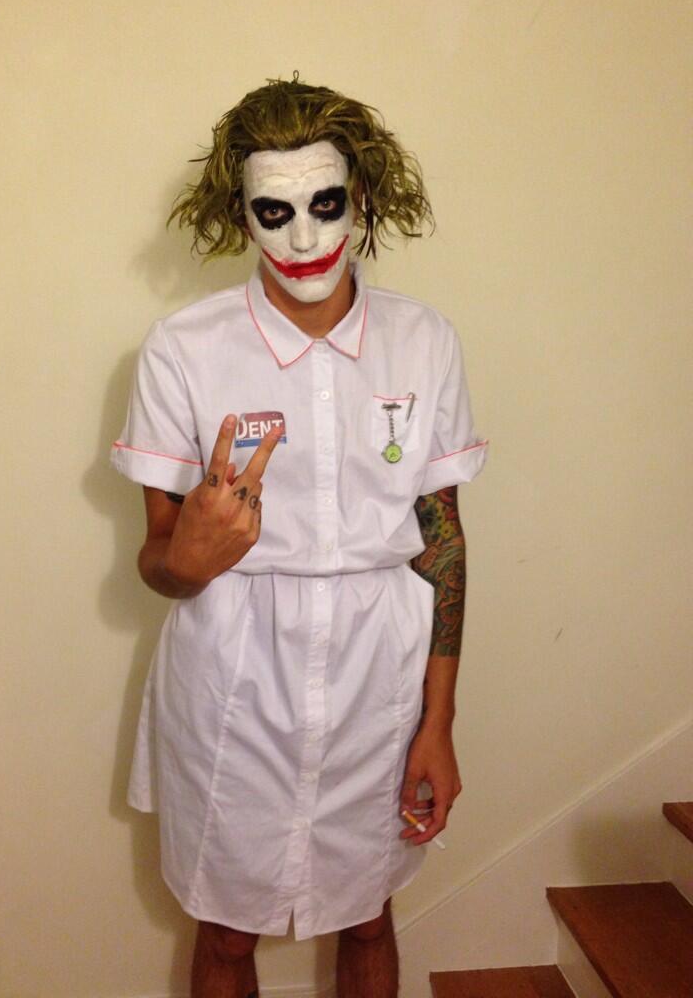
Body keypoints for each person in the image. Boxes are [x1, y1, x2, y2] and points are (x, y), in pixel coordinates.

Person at [111, 75, 487, 998]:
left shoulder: (424, 342)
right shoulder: (183, 348)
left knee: (368, 911)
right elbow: (159, 561)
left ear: (362, 197)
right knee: (225, 931)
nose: (306, 239)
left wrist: (438, 721)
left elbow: (441, 541)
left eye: (326, 205)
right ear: (240, 216)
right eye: (274, 213)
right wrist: (188, 559)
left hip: (378, 676)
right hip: (234, 677)